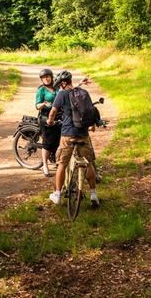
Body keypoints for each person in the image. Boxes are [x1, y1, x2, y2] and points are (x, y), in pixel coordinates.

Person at [46, 70, 100, 208]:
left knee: (62, 164)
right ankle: (94, 194)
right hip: (83, 134)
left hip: (68, 134)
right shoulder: (84, 93)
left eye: (59, 85)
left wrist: (50, 122)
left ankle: (57, 194)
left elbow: (52, 112)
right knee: (88, 163)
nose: (59, 87)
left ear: (63, 83)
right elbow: (91, 110)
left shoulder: (62, 94)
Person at [35, 69, 60, 178]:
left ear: (51, 77)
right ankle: (45, 165)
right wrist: (43, 104)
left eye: (48, 76)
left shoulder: (57, 87)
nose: (46, 78)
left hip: (58, 115)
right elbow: (37, 106)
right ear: (42, 79)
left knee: (60, 138)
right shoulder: (41, 90)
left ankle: (56, 158)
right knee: (48, 142)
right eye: (44, 77)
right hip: (45, 117)